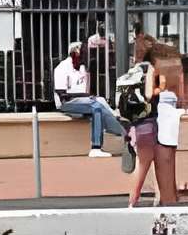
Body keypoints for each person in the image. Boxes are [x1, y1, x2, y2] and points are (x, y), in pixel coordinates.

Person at [52, 40, 131, 162]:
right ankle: (98, 146)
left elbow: (85, 91)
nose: (86, 56)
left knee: (99, 101)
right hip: (66, 104)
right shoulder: (61, 68)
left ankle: (121, 128)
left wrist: (89, 96)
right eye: (83, 53)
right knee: (96, 105)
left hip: (83, 101)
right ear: (75, 53)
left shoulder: (82, 68)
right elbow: (63, 96)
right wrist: (88, 96)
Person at [119, 32, 161, 208]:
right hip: (148, 123)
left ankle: (160, 197)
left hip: (136, 123)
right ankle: (132, 201)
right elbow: (149, 94)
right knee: (142, 165)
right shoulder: (151, 68)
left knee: (156, 161)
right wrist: (162, 89)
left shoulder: (134, 70)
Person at [154, 46, 184, 210]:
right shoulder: (177, 66)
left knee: (163, 159)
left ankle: (167, 198)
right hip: (170, 115)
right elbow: (181, 96)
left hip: (159, 116)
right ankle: (171, 197)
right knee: (168, 158)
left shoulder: (157, 67)